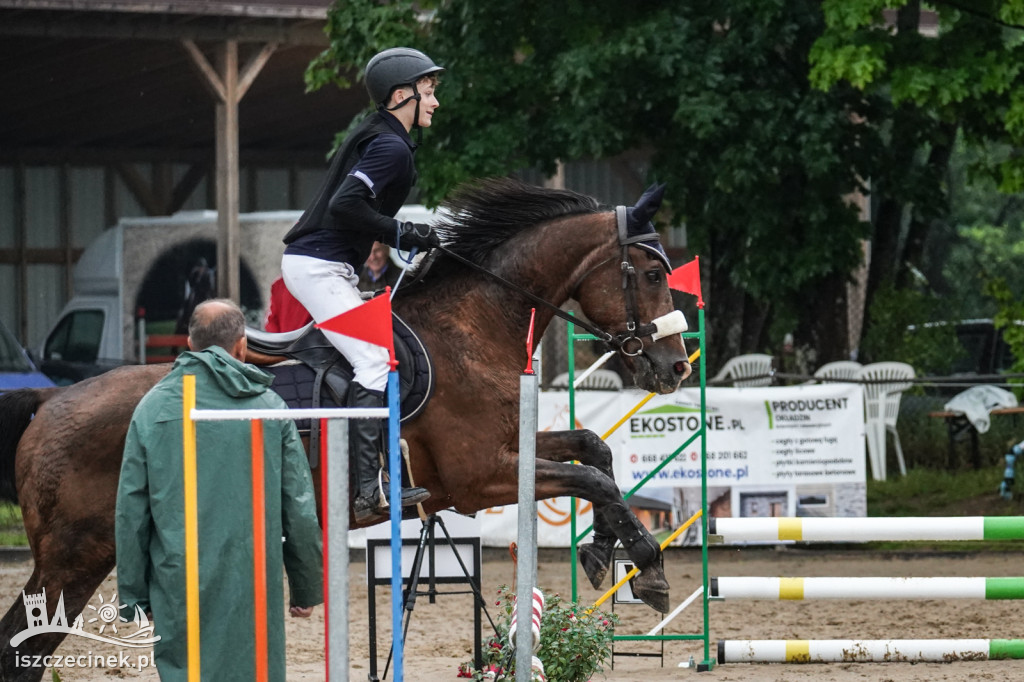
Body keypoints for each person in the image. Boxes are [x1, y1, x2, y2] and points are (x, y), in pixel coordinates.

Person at [115, 299, 323, 682]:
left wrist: (133, 596)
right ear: (242, 346)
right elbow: (299, 507)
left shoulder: (151, 409)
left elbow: (131, 513)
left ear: (191, 344)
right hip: (253, 584)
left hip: (179, 582)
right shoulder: (271, 406)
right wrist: (306, 585)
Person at [280, 47, 444, 522]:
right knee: (373, 360)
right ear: (401, 95)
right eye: (429, 93)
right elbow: (345, 208)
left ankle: (381, 477)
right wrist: (400, 231)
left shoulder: (386, 138)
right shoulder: (390, 146)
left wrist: (401, 229)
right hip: (317, 267)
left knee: (378, 356)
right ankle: (367, 490)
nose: (434, 103)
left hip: (329, 266)